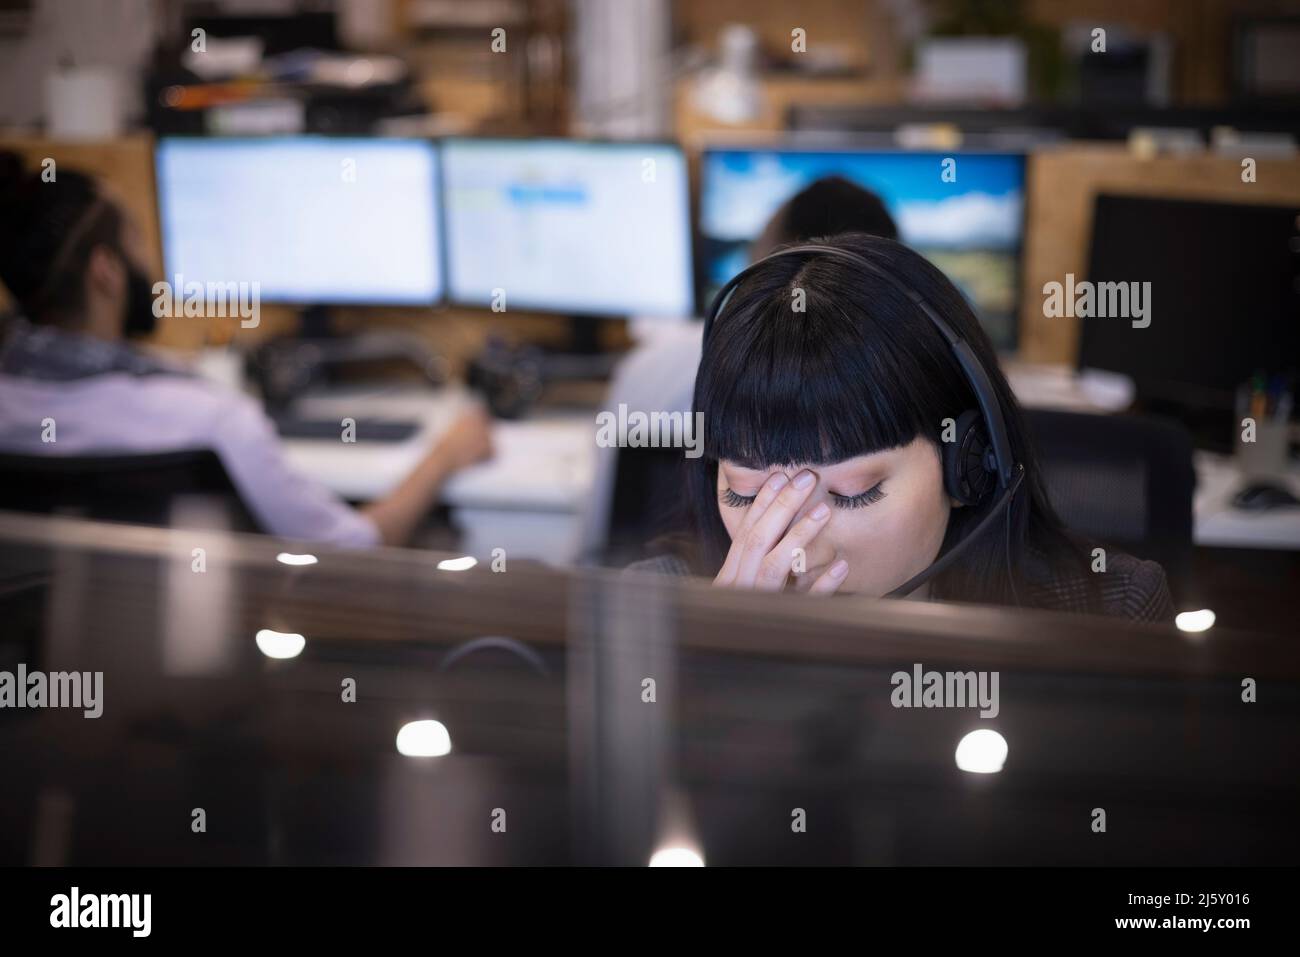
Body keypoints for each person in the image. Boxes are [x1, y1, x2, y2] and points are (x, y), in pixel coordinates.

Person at [634, 232, 1174, 621]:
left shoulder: (1113, 611)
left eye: (853, 494)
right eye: (750, 494)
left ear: (971, 462)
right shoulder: (648, 611)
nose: (798, 553)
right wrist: (715, 679)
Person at [0, 151, 491, 548]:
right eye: (136, 241)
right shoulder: (213, 419)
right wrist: (445, 456)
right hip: (193, 654)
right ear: (105, 271)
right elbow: (350, 545)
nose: (149, 261)